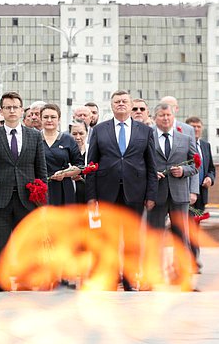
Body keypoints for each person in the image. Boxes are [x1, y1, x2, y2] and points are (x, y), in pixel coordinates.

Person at [85, 90, 157, 290]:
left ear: (131, 104)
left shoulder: (145, 131)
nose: (121, 104)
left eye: (125, 101)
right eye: (117, 102)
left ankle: (130, 279)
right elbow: (92, 164)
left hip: (135, 193)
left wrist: (151, 194)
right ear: (111, 105)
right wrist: (91, 196)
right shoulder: (100, 130)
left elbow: (152, 165)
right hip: (107, 193)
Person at [0, 91, 47, 291]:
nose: (12, 110)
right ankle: (1, 284)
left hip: (28, 198)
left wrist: (42, 201)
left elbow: (41, 170)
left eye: (15, 107)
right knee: (1, 245)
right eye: (8, 107)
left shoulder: (34, 135)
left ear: (21, 109)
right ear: (2, 111)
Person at [147, 103, 198, 255]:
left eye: (168, 115)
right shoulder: (147, 137)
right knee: (155, 234)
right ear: (155, 118)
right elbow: (140, 163)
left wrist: (183, 170)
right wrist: (151, 173)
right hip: (156, 195)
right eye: (162, 115)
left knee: (181, 235)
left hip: (179, 195)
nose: (165, 118)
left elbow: (196, 164)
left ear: (173, 117)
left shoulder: (186, 139)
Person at [186, 115, 216, 270]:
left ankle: (193, 258)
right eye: (192, 126)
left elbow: (211, 168)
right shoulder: (183, 144)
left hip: (201, 195)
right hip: (187, 195)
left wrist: (210, 178)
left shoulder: (206, 145)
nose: (196, 129)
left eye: (198, 126)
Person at [41, 104, 83, 206]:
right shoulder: (33, 138)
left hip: (63, 187)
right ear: (40, 119)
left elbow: (80, 166)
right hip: (41, 187)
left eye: (53, 117)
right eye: (46, 117)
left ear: (59, 119)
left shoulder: (68, 139)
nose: (49, 120)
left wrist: (65, 173)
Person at [69, 119, 90, 203]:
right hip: (71, 193)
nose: (77, 137)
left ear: (87, 133)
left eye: (81, 133)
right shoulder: (65, 151)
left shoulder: (92, 150)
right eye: (74, 134)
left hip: (88, 193)